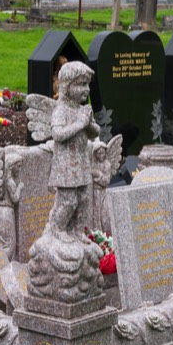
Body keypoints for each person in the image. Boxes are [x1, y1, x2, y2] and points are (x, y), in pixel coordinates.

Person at [46, 61, 100, 241]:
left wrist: (90, 124)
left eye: (87, 85)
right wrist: (80, 124)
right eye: (81, 85)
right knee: (69, 200)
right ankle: (58, 228)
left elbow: (95, 133)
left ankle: (78, 231)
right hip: (66, 165)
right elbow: (58, 134)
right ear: (67, 87)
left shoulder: (83, 110)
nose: (86, 90)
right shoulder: (61, 110)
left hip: (81, 162)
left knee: (84, 199)